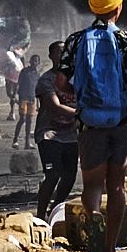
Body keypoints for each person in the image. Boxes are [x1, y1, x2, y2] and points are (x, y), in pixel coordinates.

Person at [70, 0, 127, 252]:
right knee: (116, 187)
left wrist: (85, 91)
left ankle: (92, 216)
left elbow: (60, 83)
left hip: (88, 122)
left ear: (93, 8)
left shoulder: (76, 41)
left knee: (92, 184)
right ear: (118, 7)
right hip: (120, 121)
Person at [34, 38, 80, 224]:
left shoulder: (77, 77)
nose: (62, 56)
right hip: (49, 133)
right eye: (58, 52)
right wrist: (82, 114)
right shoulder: (46, 80)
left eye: (65, 52)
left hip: (71, 135)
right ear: (51, 56)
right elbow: (54, 106)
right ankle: (40, 215)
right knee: (52, 175)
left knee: (70, 175)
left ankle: (54, 210)